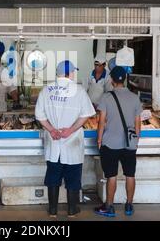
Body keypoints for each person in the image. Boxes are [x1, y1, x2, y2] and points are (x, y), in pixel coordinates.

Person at [35, 60, 96, 218]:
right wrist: (70, 130)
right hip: (72, 142)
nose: (74, 74)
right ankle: (71, 209)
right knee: (73, 177)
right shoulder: (79, 90)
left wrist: (52, 130)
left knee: (53, 177)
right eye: (73, 72)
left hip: (53, 141)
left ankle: (53, 210)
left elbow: (39, 116)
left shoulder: (46, 90)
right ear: (69, 73)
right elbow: (86, 115)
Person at [94, 66, 142, 217]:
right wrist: (136, 141)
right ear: (125, 79)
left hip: (110, 143)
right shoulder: (135, 98)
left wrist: (99, 140)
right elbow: (137, 123)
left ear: (112, 81)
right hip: (129, 144)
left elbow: (101, 122)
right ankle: (129, 205)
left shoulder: (106, 97)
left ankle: (109, 207)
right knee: (130, 175)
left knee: (112, 176)